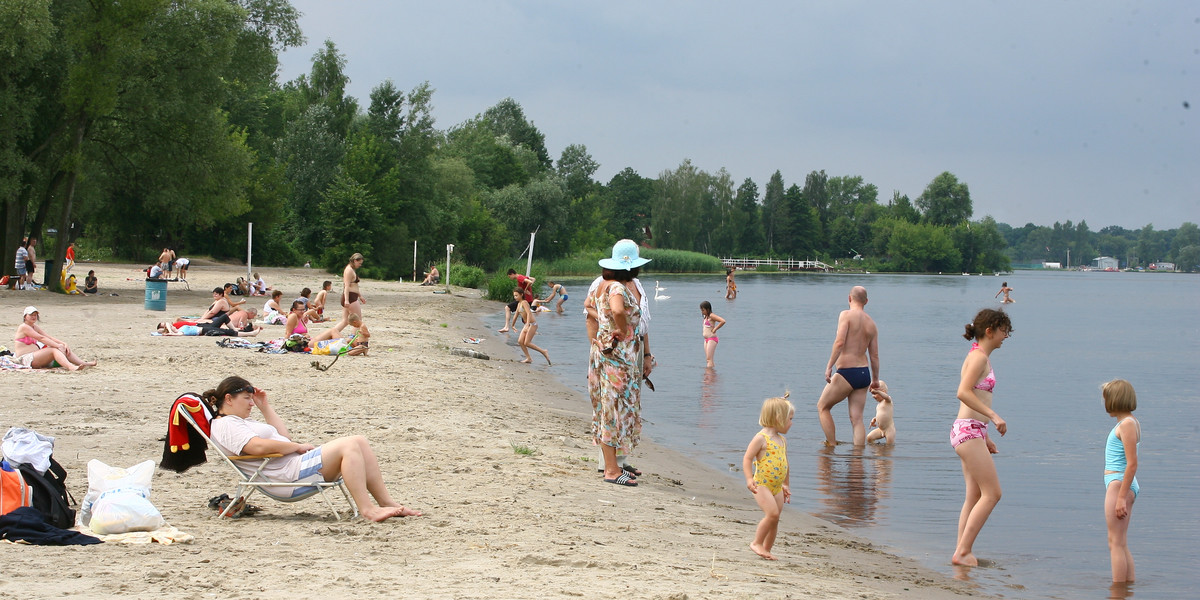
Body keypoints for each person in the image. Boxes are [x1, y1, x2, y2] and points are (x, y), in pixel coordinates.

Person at [203, 375, 421, 522]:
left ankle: (385, 502)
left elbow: (282, 437)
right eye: (247, 399)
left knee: (360, 441)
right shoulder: (225, 424)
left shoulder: (242, 421)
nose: (251, 404)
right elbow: (256, 447)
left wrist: (265, 406)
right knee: (350, 444)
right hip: (285, 477)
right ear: (229, 399)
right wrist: (296, 447)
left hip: (291, 468)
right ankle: (368, 509)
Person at [587, 239, 653, 487]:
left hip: (609, 354)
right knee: (613, 410)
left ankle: (613, 465)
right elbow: (616, 311)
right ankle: (611, 470)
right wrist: (623, 329)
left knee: (610, 408)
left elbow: (595, 310)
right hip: (617, 357)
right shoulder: (617, 288)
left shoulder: (605, 285)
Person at [951, 308, 1012, 567]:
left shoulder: (980, 356)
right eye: (1003, 331)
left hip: (972, 430)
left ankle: (961, 551)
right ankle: (963, 552)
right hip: (967, 431)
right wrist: (994, 416)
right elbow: (963, 392)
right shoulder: (978, 358)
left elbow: (974, 397)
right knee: (993, 494)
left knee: (974, 496)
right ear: (990, 331)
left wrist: (985, 434)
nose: (1006, 337)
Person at [815, 286, 880, 446]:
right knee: (857, 419)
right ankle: (858, 459)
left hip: (846, 372)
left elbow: (840, 342)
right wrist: (875, 380)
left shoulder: (846, 315)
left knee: (823, 407)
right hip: (864, 374)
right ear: (866, 301)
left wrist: (829, 366)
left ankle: (830, 445)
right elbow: (874, 356)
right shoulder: (871, 323)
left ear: (849, 298)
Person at [742, 392, 793, 560]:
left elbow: (784, 463)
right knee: (772, 514)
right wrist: (749, 479)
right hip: (762, 484)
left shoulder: (782, 440)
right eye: (789, 419)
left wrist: (786, 484)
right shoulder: (761, 439)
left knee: (775, 519)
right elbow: (748, 458)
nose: (791, 423)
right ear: (778, 418)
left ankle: (767, 549)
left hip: (777, 487)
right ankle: (756, 542)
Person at [1102, 379, 1140, 583]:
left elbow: (1132, 464)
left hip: (1119, 484)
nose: (1105, 403)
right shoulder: (1128, 423)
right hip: (1119, 483)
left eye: (1106, 398)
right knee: (1121, 542)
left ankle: (1117, 591)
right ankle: (1128, 588)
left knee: (1114, 543)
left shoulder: (1126, 425)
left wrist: (1120, 498)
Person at [12, 306, 97, 370]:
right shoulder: (24, 327)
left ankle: (84, 363)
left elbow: (48, 337)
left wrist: (63, 344)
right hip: (25, 358)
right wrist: (57, 346)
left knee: (61, 347)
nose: (34, 317)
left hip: (35, 356)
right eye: (31, 315)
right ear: (25, 316)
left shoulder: (34, 327)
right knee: (54, 349)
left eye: (35, 315)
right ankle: (71, 367)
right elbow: (41, 338)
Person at [513, 290, 550, 365]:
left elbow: (529, 313)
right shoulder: (519, 304)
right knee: (520, 341)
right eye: (514, 295)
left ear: (521, 295)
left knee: (527, 343)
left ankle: (543, 351)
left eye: (516, 295)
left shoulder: (524, 302)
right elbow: (516, 315)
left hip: (532, 324)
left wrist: (527, 324)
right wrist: (512, 325)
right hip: (527, 324)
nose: (515, 297)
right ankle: (529, 358)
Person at [498, 269, 535, 333]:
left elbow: (530, 282)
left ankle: (507, 327)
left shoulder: (519, 277)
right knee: (524, 318)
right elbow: (533, 279)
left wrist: (525, 290)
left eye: (509, 276)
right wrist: (528, 288)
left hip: (524, 299)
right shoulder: (521, 276)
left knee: (507, 308)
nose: (510, 278)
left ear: (512, 274)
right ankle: (532, 330)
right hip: (528, 299)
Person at [338, 253, 366, 331]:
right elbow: (346, 286)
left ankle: (331, 334)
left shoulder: (351, 269)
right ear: (355, 261)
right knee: (357, 321)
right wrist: (347, 300)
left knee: (345, 321)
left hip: (351, 296)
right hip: (350, 297)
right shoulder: (349, 270)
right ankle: (355, 339)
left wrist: (360, 296)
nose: (360, 265)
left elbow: (354, 285)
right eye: (359, 263)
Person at [699, 301, 725, 368]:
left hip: (712, 339)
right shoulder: (706, 317)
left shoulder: (711, 315)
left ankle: (709, 374)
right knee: (708, 359)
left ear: (707, 309)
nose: (702, 312)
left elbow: (723, 321)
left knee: (709, 359)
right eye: (701, 310)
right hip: (706, 339)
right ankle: (711, 375)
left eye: (703, 310)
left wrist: (715, 329)